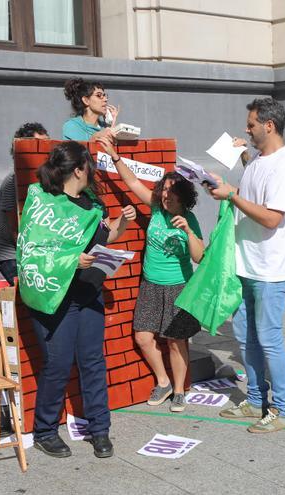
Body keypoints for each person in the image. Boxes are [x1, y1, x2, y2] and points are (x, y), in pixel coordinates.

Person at [17, 141, 136, 459]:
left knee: (93, 362)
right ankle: (44, 431)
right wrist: (73, 260)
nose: (93, 171)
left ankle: (100, 431)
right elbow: (33, 249)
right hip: (56, 296)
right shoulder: (43, 201)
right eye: (90, 165)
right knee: (57, 365)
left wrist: (122, 223)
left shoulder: (92, 202)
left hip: (89, 294)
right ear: (79, 169)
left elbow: (103, 237)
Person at [206, 97, 285, 433]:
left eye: (251, 125)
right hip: (247, 265)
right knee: (246, 338)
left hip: (271, 271)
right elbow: (253, 183)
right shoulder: (260, 159)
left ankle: (284, 409)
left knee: (269, 338)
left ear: (269, 125)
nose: (246, 130)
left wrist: (232, 196)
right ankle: (256, 399)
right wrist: (229, 180)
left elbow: (272, 218)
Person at [99, 139, 205, 413]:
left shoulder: (189, 219)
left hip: (178, 287)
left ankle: (180, 390)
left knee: (175, 340)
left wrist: (188, 233)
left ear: (183, 196)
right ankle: (163, 381)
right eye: (164, 190)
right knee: (143, 337)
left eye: (172, 192)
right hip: (150, 285)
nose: (166, 195)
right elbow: (133, 183)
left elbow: (198, 257)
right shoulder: (157, 209)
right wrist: (114, 156)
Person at [0, 123, 49, 285]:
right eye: (39, 144)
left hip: (36, 251)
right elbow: (15, 230)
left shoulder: (47, 180)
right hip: (12, 255)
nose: (45, 150)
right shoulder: (12, 182)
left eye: (47, 143)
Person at [62, 77, 120, 143]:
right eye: (99, 95)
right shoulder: (72, 126)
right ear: (86, 100)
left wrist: (112, 122)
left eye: (104, 95)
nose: (105, 99)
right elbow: (78, 151)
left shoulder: (104, 126)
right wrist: (94, 138)